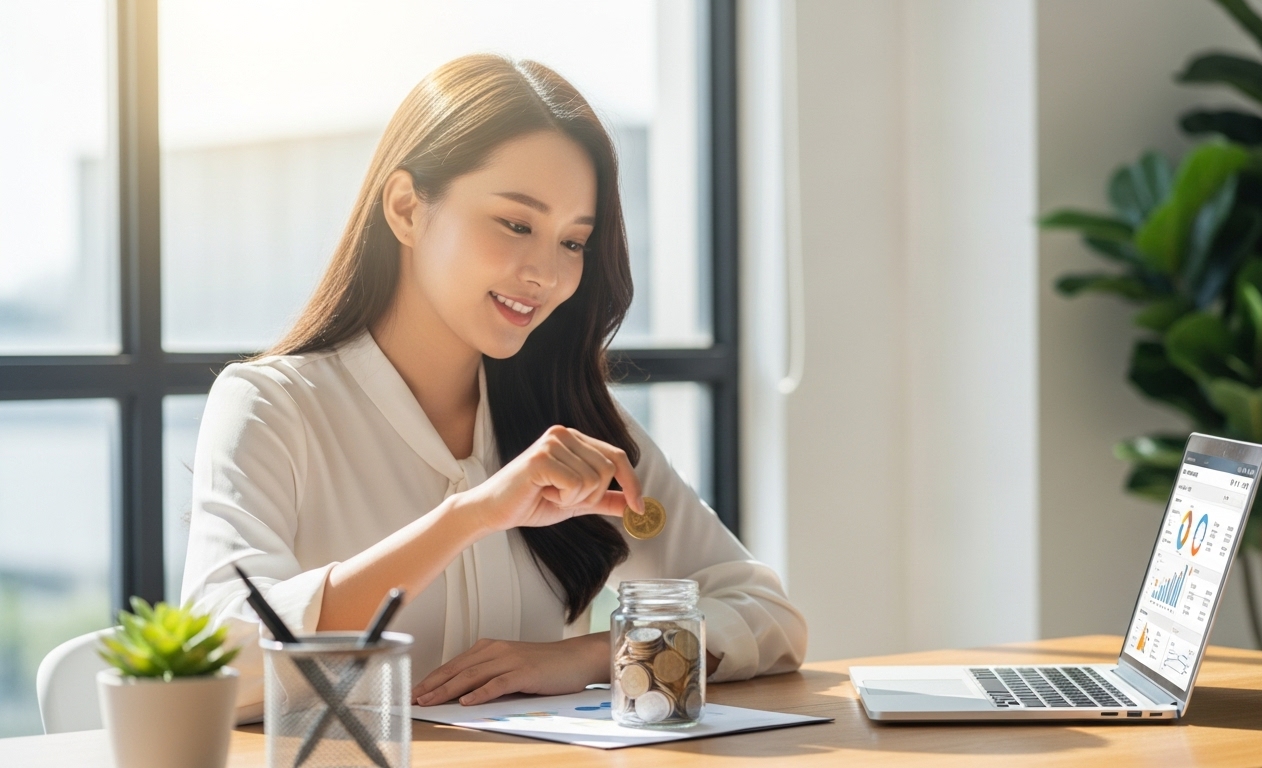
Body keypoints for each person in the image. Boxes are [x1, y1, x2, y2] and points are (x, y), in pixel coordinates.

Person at [180, 54, 806, 722]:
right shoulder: (271, 407)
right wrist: (471, 516)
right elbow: (220, 660)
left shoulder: (568, 419)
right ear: (405, 209)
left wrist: (590, 656)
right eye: (515, 224)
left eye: (573, 242)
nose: (545, 272)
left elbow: (765, 617)